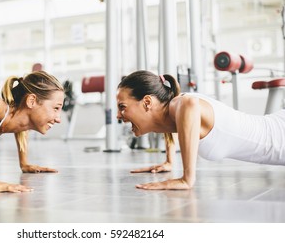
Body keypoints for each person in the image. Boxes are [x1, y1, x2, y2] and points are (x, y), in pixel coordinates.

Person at [116, 70, 285, 190]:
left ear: (147, 102)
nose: (118, 115)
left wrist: (187, 179)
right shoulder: (173, 111)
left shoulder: (180, 104)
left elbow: (189, 104)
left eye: (122, 107)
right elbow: (172, 123)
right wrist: (169, 161)